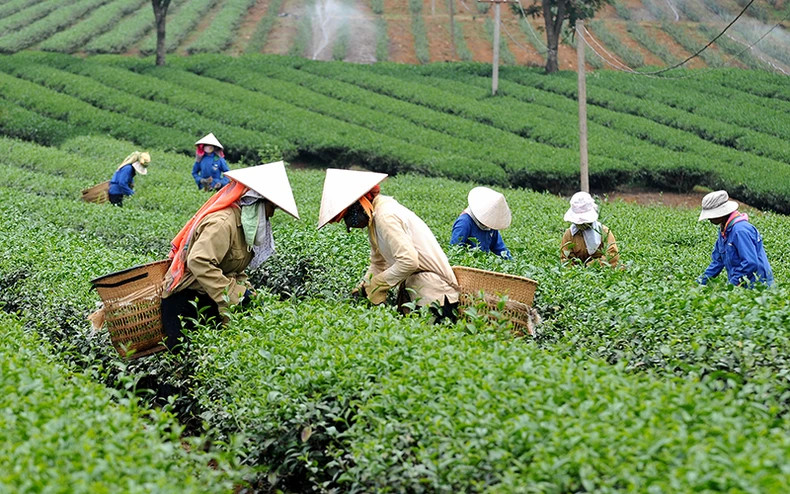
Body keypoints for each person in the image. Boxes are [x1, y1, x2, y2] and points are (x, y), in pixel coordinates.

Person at [161, 161, 299, 352]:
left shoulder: (242, 226)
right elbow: (199, 261)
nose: (271, 214)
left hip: (209, 295)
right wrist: (231, 294)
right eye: (271, 207)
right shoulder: (223, 223)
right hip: (187, 301)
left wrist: (247, 290)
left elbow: (234, 269)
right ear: (256, 201)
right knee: (184, 358)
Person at [317, 169, 459, 322]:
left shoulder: (385, 216)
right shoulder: (375, 219)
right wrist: (364, 286)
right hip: (417, 293)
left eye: (348, 214)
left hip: (435, 297)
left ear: (361, 203)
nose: (350, 222)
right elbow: (378, 262)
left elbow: (409, 261)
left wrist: (379, 284)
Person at [697, 190, 772, 287]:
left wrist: (731, 285)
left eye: (711, 215)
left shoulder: (740, 231)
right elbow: (717, 262)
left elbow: (750, 263)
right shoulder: (724, 231)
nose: (709, 219)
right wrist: (699, 282)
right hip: (740, 285)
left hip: (757, 287)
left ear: (722, 213)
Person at [451, 186, 512, 259]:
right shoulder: (464, 222)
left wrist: (512, 263)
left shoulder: (490, 226)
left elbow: (500, 249)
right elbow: (455, 250)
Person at [561, 191, 619, 267]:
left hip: (601, 271)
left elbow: (612, 255)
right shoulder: (569, 235)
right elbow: (566, 259)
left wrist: (594, 265)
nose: (581, 224)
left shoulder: (603, 232)